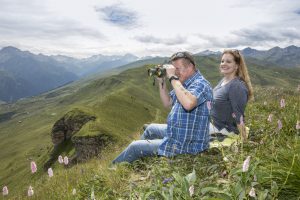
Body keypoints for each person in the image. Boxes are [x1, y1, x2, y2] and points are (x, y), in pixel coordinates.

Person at [112, 51, 213, 163]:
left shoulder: (201, 84)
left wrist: (173, 78)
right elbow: (167, 102)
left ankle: (114, 169)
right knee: (150, 129)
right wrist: (162, 82)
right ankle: (140, 159)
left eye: (177, 69)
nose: (176, 72)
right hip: (180, 132)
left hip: (186, 144)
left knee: (134, 147)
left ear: (190, 66)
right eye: (173, 70)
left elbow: (188, 104)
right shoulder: (184, 83)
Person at [210, 49, 253, 141]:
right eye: (222, 61)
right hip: (212, 124)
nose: (223, 64)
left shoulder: (236, 86)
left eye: (228, 62)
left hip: (222, 129)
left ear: (236, 66)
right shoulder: (224, 80)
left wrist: (244, 140)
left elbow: (239, 116)